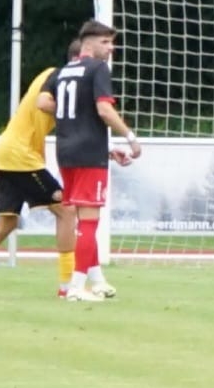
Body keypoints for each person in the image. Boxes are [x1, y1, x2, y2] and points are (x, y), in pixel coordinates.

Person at [0, 41, 84, 300]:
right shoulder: (59, 77)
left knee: (7, 223)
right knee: (67, 210)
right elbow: (45, 105)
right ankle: (68, 287)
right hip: (20, 156)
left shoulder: (50, 75)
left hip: (8, 152)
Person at [41, 20, 142, 303]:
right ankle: (75, 287)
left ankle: (96, 280)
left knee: (83, 218)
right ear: (88, 43)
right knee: (89, 222)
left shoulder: (63, 71)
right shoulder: (98, 69)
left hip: (66, 151)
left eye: (112, 43)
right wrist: (130, 137)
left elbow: (42, 102)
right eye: (105, 42)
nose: (111, 48)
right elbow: (105, 111)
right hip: (89, 154)